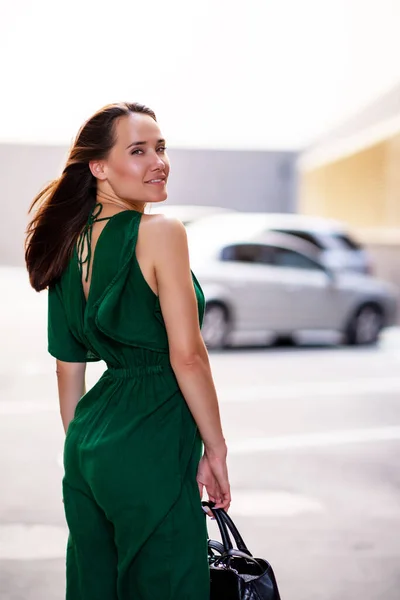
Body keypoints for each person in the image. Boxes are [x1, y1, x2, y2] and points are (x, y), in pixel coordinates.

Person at [25, 102, 231, 600]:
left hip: (90, 445)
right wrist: (216, 448)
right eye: (137, 151)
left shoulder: (70, 243)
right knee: (168, 581)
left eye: (160, 148)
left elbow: (67, 364)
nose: (157, 161)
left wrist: (85, 453)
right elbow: (188, 356)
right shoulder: (162, 232)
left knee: (96, 584)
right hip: (153, 435)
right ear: (98, 167)